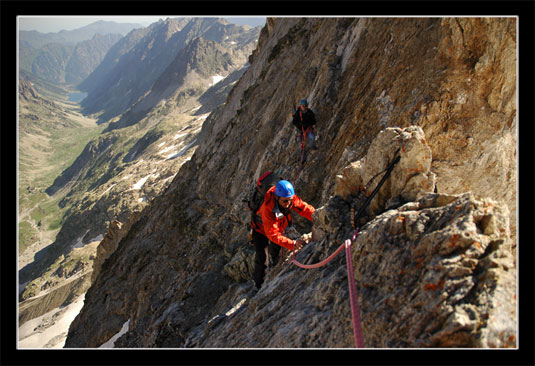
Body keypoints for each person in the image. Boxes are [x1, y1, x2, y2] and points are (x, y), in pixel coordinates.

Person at [251, 180, 315, 289]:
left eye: (290, 201)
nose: (289, 204)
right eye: (285, 201)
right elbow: (273, 235)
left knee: (275, 248)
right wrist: (293, 244)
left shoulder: (288, 197)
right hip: (260, 230)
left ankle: (274, 261)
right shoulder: (267, 209)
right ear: (276, 198)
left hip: (279, 226)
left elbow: (303, 208)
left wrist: (317, 216)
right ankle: (257, 285)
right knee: (261, 257)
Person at [292, 98, 317, 163]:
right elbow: (294, 122)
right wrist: (299, 125)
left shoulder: (309, 112)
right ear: (301, 106)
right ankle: (303, 158)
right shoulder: (298, 113)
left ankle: (311, 146)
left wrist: (309, 124)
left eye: (305, 106)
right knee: (302, 145)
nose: (304, 107)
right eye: (303, 106)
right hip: (301, 131)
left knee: (312, 138)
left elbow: (314, 121)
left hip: (308, 130)